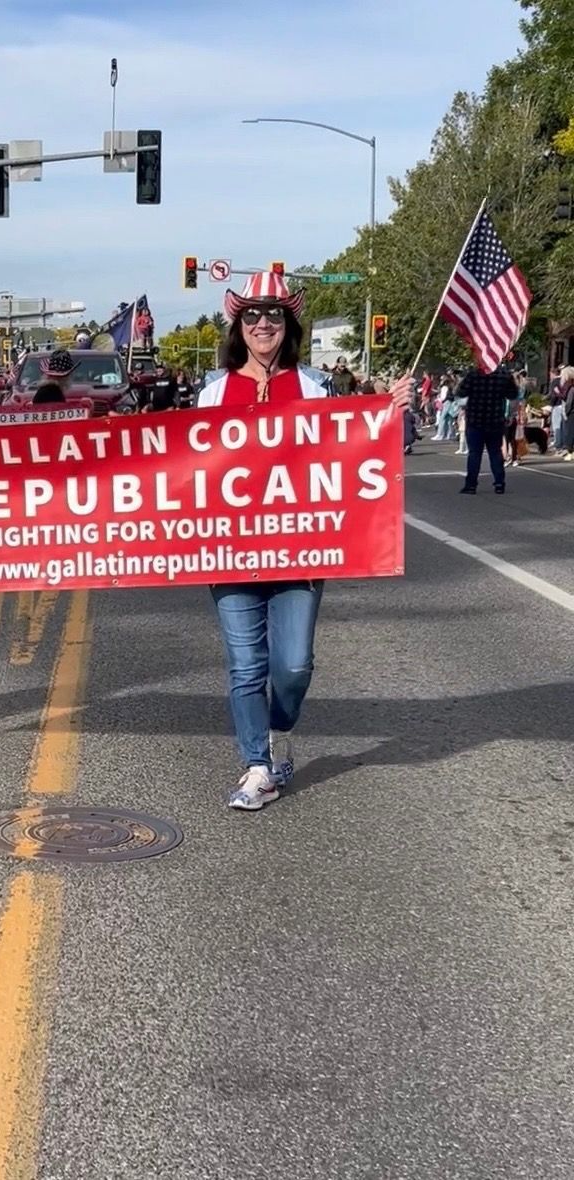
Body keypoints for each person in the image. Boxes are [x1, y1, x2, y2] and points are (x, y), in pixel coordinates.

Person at [196, 270, 411, 810]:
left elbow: (350, 453)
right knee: (246, 666)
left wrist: (390, 414)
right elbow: (183, 468)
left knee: (293, 666)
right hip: (232, 551)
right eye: (252, 314)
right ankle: (256, 766)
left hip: (300, 551)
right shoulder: (213, 393)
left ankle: (279, 729)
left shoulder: (315, 387)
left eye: (273, 314)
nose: (262, 323)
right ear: (237, 324)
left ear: (287, 323)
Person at [456, 364, 518, 493]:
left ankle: (471, 485)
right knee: (495, 453)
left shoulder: (473, 374)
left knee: (474, 454)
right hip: (495, 420)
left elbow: (461, 392)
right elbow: (513, 394)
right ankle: (499, 483)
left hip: (475, 420)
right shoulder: (504, 375)